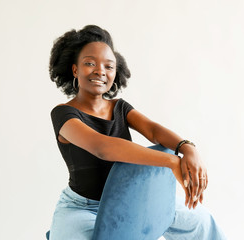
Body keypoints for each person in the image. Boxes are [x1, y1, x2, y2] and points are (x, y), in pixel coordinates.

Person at [48, 25, 227, 240]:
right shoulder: (63, 114)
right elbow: (102, 147)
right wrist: (171, 161)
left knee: (202, 222)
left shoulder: (119, 107)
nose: (100, 71)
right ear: (75, 69)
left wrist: (188, 148)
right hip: (83, 208)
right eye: (89, 63)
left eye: (109, 66)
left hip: (131, 198)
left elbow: (152, 130)